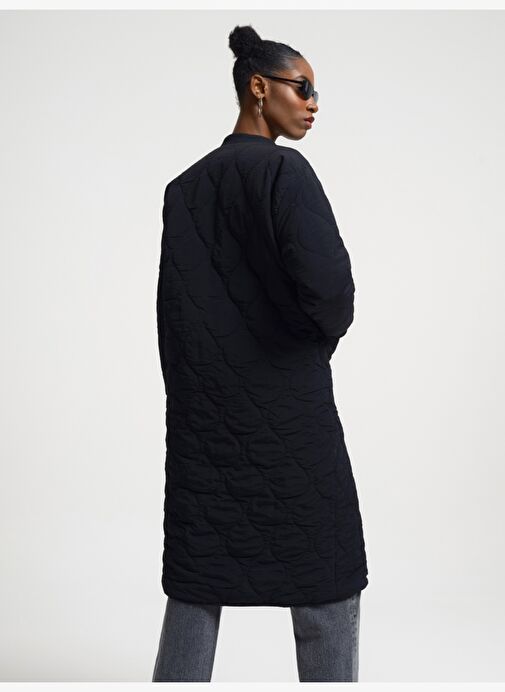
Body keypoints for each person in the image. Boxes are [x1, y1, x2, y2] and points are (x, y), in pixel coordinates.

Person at [152, 23, 369, 682]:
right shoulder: (283, 171)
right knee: (328, 578)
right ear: (258, 87)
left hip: (205, 420)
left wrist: (197, 391)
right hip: (290, 414)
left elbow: (172, 316)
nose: (312, 103)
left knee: (198, 579)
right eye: (301, 87)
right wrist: (309, 347)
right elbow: (331, 293)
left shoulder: (184, 188)